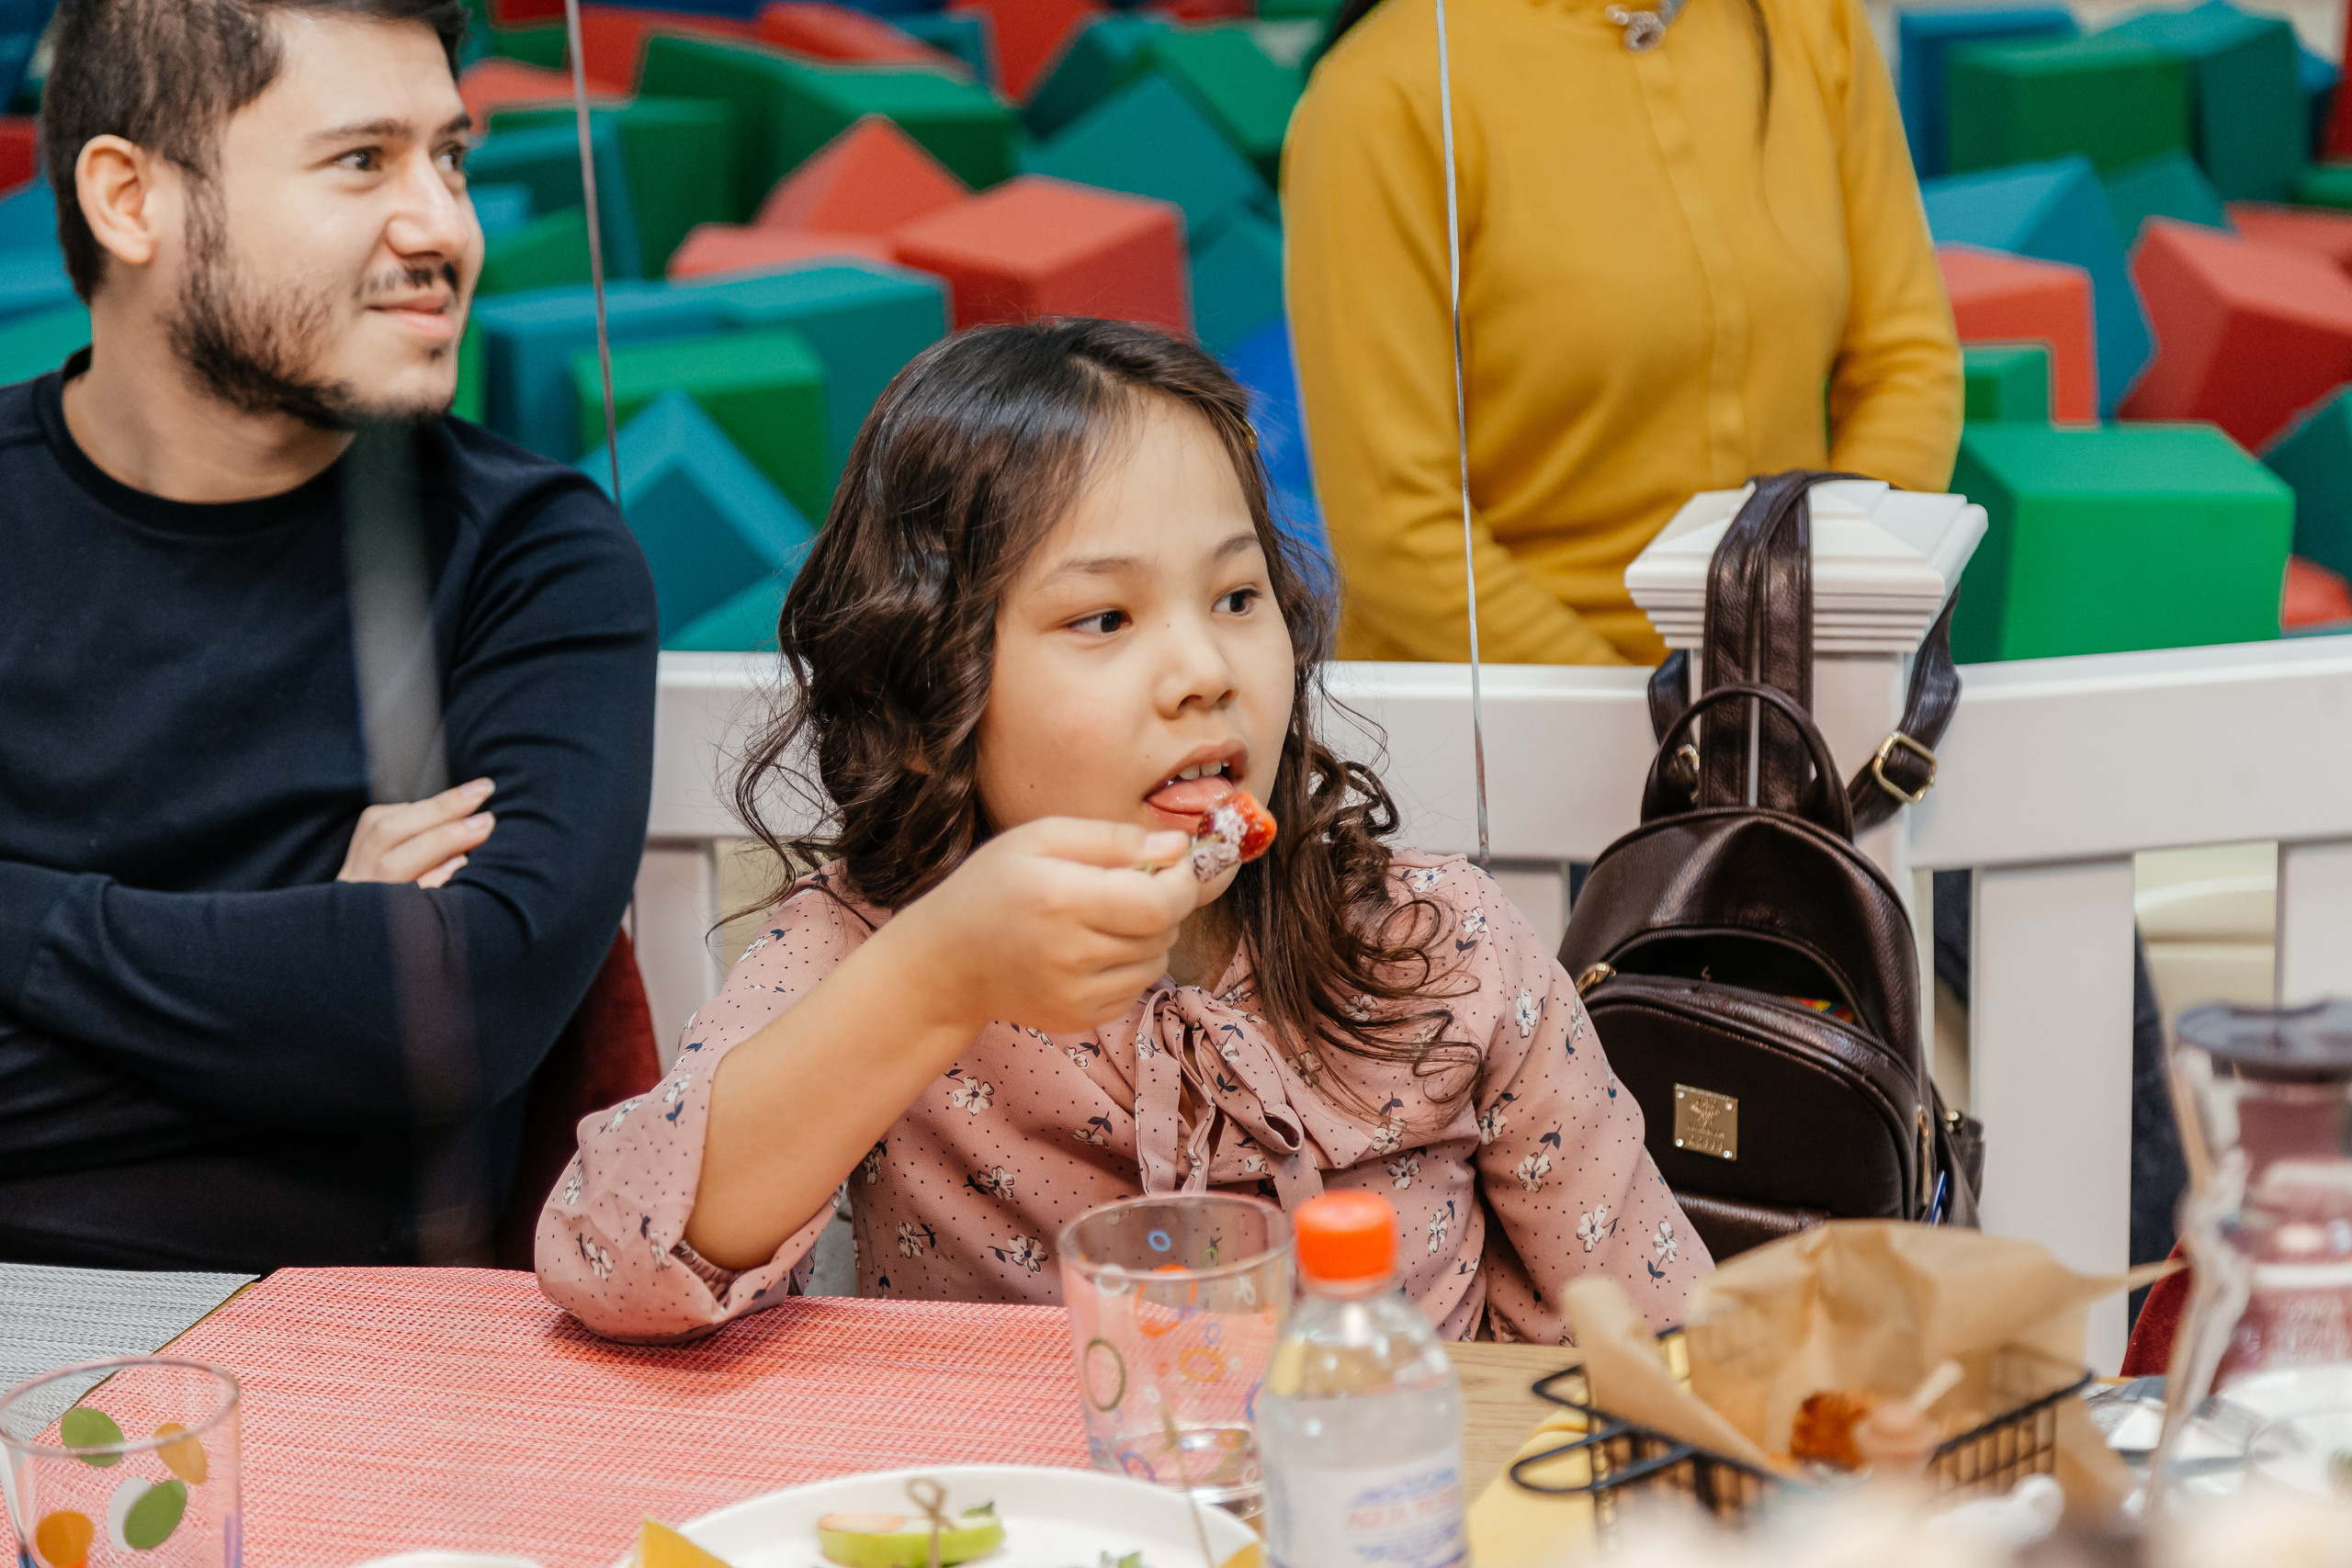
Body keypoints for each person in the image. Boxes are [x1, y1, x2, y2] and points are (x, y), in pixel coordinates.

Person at [538, 320, 1705, 1345]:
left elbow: (1670, 1336)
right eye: (1104, 617)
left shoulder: (1442, 948)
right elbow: (612, 1261)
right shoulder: (872, 947)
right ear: (934, 685)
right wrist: (934, 976)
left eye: (1238, 599)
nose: (1203, 671)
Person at [0, 0, 658, 1270]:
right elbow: (393, 1036)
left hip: (380, 1381)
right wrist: (313, 952)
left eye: (451, 158)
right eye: (363, 161)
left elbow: (453, 1019)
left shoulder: (530, 558)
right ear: (131, 199)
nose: (444, 227)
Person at [1284, 0, 1962, 667]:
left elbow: (1908, 361)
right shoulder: (1380, 93)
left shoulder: (1814, 23)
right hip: (1507, 717)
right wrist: (1653, 728)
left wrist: (1809, 631)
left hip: (1788, 684)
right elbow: (1393, 526)